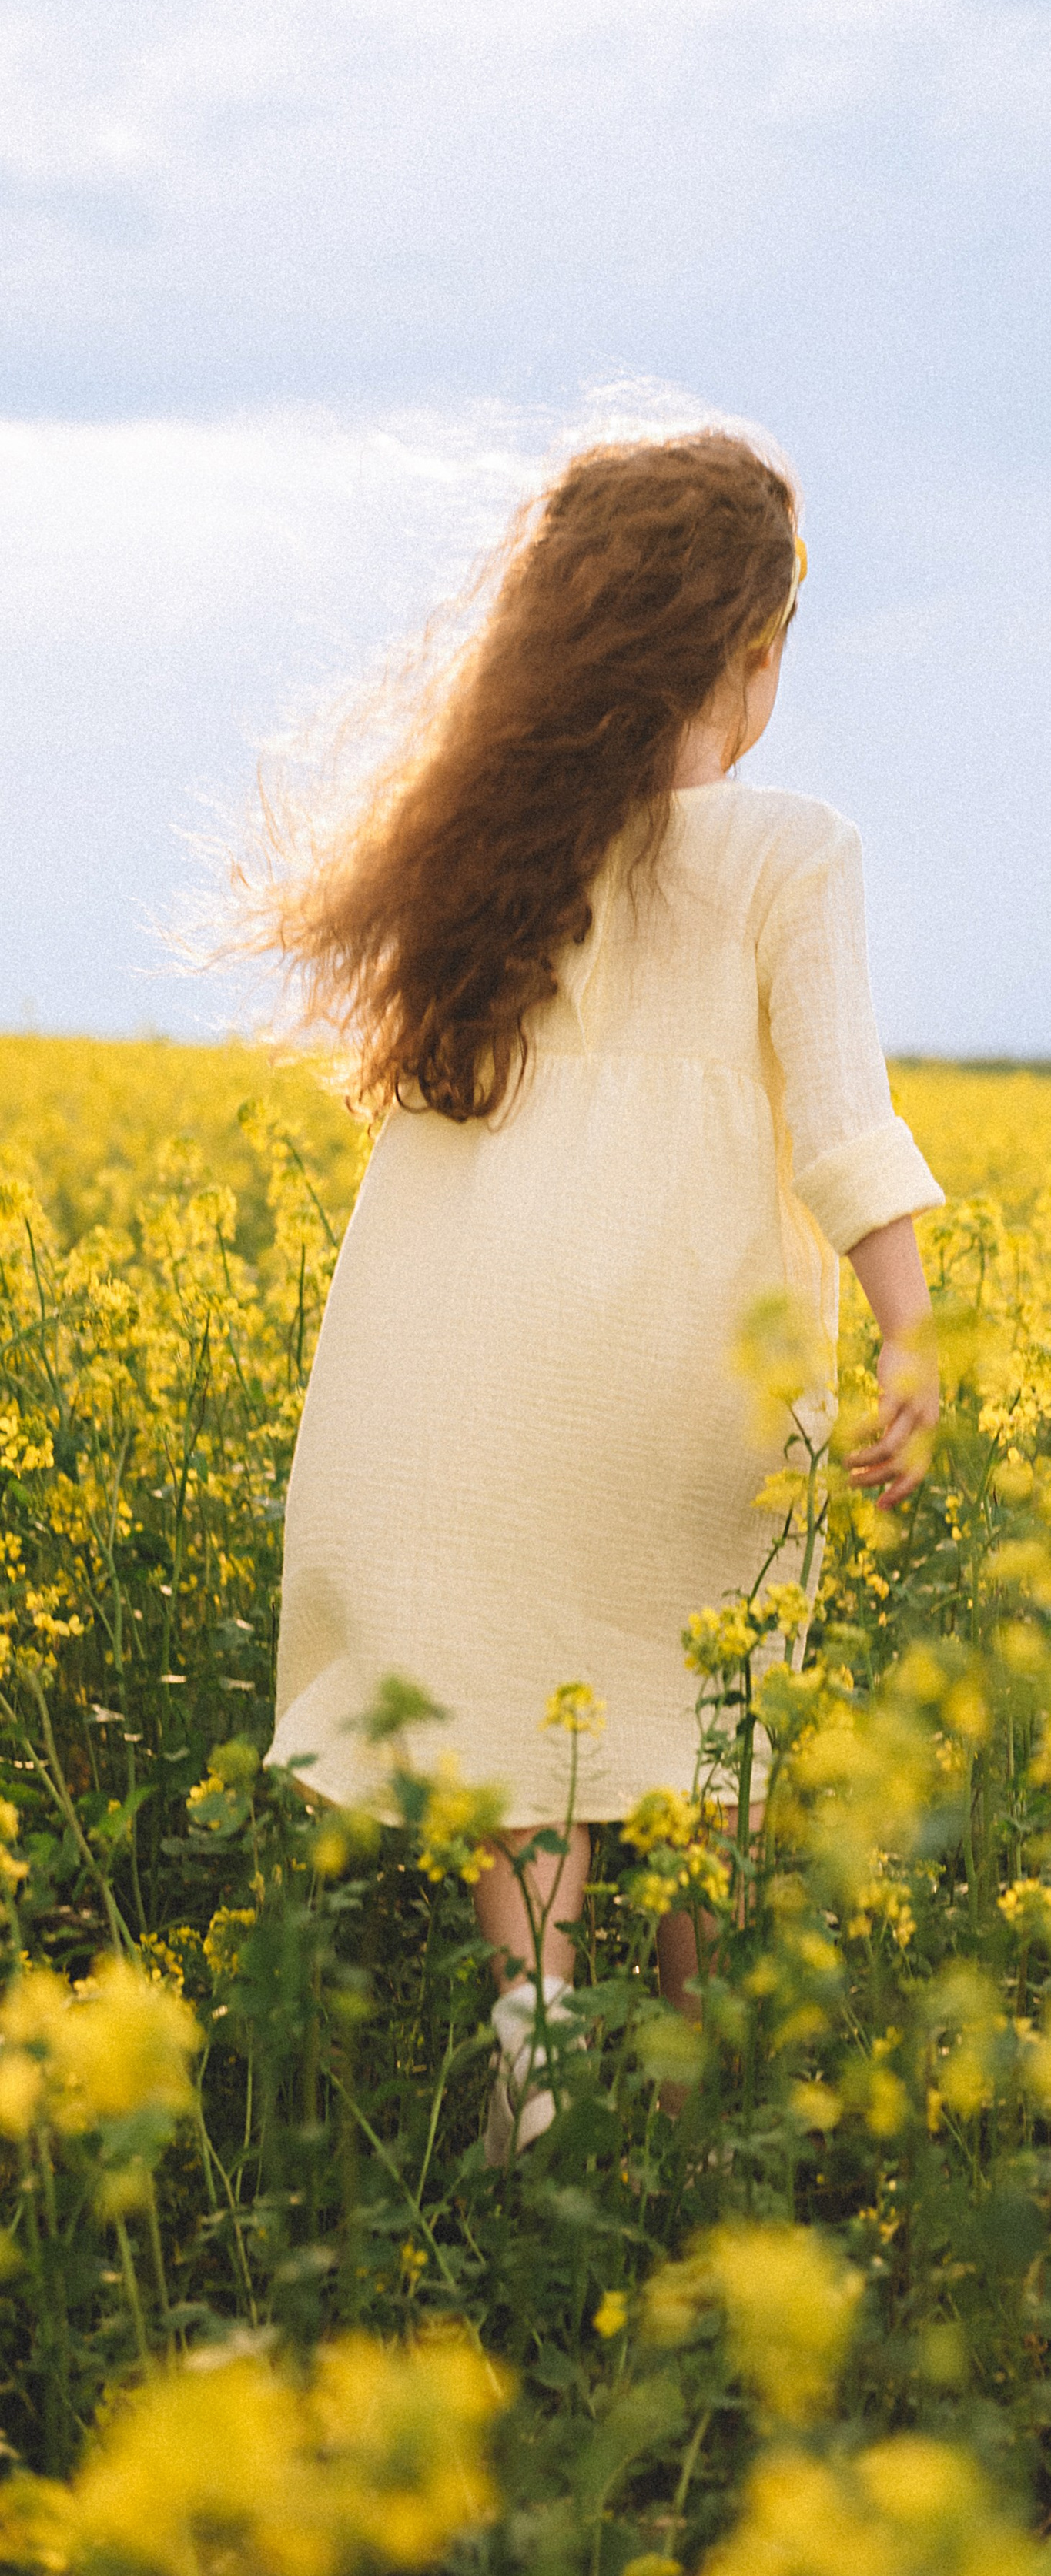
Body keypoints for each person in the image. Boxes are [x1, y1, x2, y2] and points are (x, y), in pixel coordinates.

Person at [248, 423, 942, 2160]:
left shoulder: (485, 850)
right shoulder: (792, 848)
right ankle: (695, 2090)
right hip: (685, 1360)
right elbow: (845, 1125)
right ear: (754, 648)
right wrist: (912, 1333)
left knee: (514, 1702)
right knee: (703, 1718)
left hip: (468, 1352)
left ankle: (537, 2044)